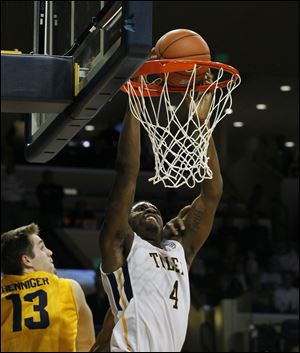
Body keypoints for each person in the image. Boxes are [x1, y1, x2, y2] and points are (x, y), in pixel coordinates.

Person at [95, 71, 223, 352]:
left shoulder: (180, 250)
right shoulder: (121, 247)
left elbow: (211, 195)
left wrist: (202, 125)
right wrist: (136, 101)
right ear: (125, 224)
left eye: (153, 207)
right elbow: (127, 173)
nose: (149, 209)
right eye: (139, 209)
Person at [1, 223, 95, 352]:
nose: (49, 252)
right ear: (27, 260)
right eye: (42, 248)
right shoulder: (69, 288)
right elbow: (87, 344)